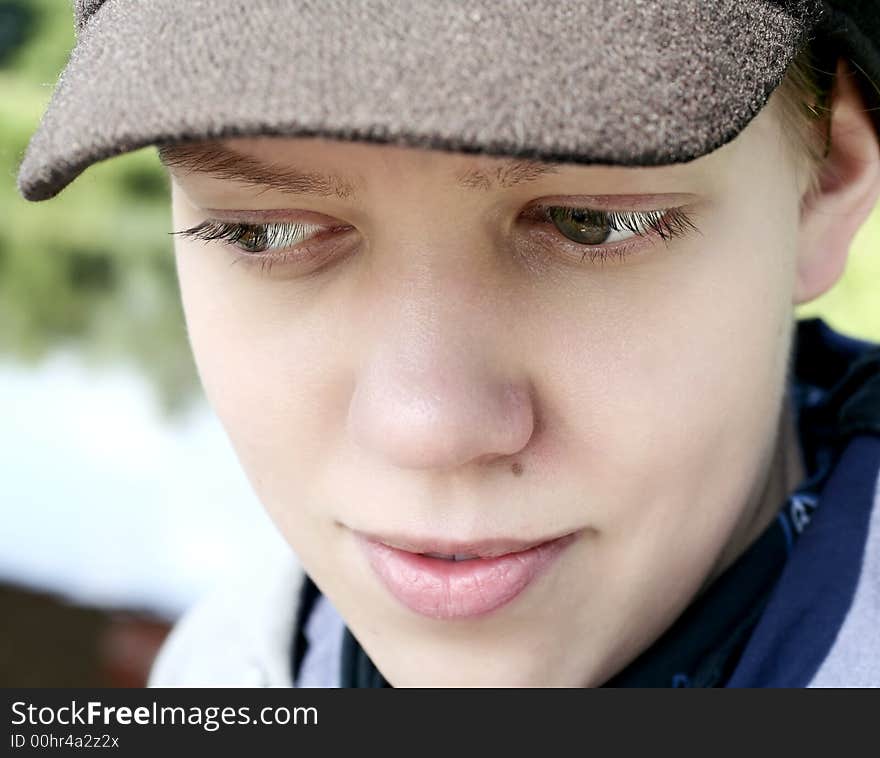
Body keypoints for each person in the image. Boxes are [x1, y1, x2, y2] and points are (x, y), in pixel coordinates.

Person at [16, 1, 880, 687]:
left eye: (592, 221)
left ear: (826, 181)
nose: (425, 429)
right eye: (265, 233)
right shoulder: (216, 672)